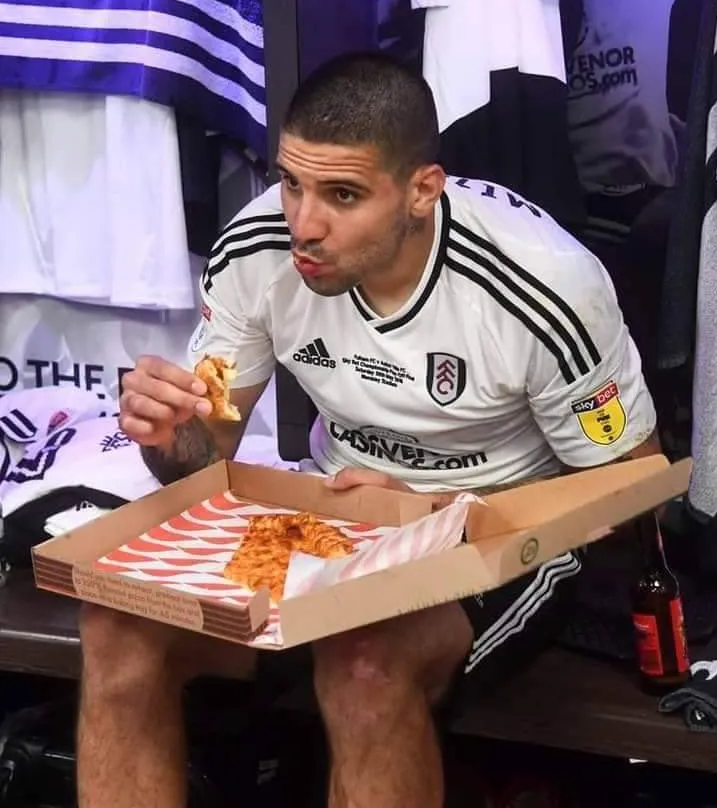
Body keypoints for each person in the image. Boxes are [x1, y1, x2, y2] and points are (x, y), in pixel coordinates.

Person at [78, 52, 660, 808]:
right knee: (117, 628)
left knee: (364, 661)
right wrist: (169, 438)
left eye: (342, 195)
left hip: (501, 533)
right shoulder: (258, 249)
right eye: (290, 183)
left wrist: (440, 517)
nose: (302, 226)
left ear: (422, 191)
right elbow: (209, 450)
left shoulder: (543, 282)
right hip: (335, 517)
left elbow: (634, 488)